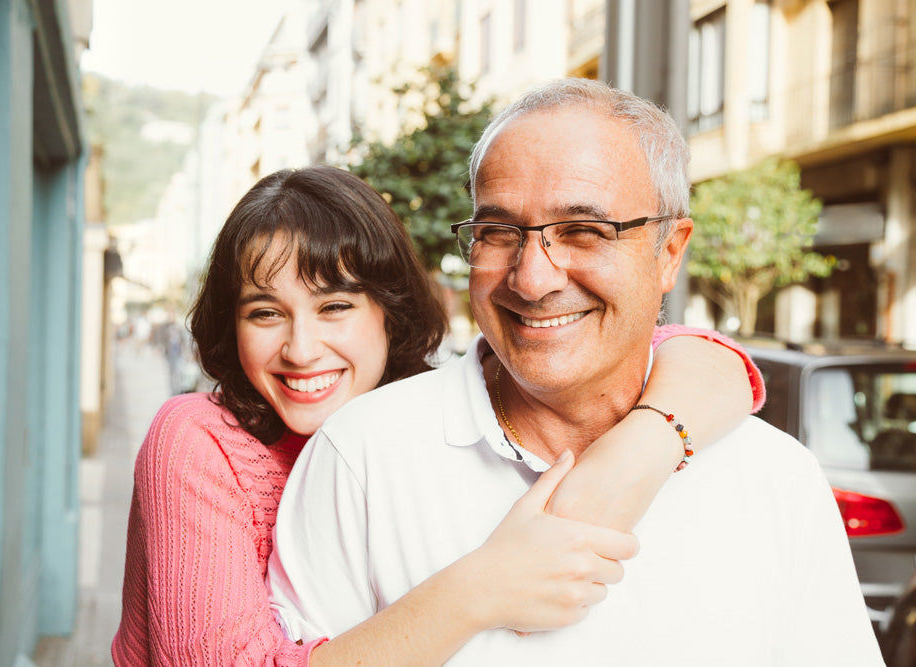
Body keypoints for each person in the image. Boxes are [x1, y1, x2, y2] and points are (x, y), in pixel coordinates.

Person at [267, 81, 885, 666]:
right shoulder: (363, 458)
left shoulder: (774, 478)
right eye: (498, 231)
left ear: (669, 252)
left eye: (585, 231)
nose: (533, 279)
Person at [112, 165, 761, 666]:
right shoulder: (197, 439)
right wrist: (482, 585)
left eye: (334, 307)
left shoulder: (411, 421)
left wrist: (640, 449)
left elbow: (698, 354)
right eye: (264, 312)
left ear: (387, 309)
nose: (300, 348)